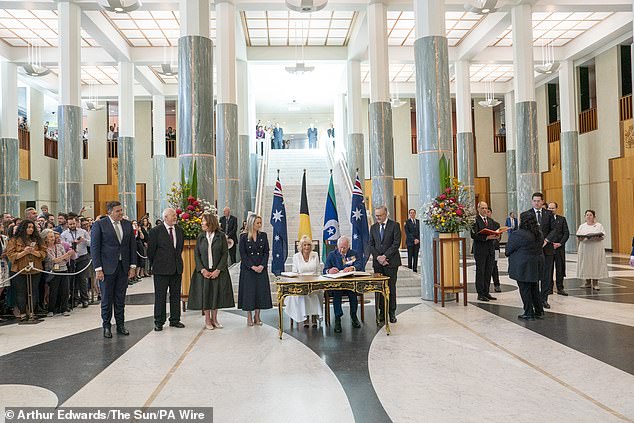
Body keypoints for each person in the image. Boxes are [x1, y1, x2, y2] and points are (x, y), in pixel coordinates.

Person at [91, 201, 137, 338]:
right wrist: (98, 269)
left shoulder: (127, 224)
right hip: (107, 268)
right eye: (117, 211)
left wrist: (133, 266)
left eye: (121, 210)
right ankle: (106, 326)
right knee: (106, 298)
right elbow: (95, 247)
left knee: (120, 298)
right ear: (109, 212)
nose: (121, 213)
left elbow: (132, 247)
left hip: (123, 267)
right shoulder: (100, 225)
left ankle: (120, 324)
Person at [188, 212, 235, 330]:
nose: (202, 223)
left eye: (204, 221)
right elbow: (197, 255)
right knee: (206, 295)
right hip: (204, 272)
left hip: (217, 271)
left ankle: (215, 319)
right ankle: (207, 319)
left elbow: (225, 254)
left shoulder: (221, 236)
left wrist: (218, 270)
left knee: (216, 295)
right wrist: (202, 269)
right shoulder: (201, 236)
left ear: (210, 222)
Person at [147, 208, 185, 332]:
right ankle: (159, 321)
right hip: (161, 270)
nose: (175, 217)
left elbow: (179, 249)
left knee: (175, 295)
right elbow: (150, 252)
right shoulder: (155, 231)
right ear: (165, 217)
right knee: (160, 296)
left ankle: (175, 319)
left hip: (176, 269)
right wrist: (157, 264)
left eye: (175, 215)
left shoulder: (179, 231)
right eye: (172, 215)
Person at [505, 211, 545, 320]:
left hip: (523, 265)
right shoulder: (539, 233)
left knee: (525, 289)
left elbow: (508, 250)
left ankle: (528, 312)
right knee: (534, 287)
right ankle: (539, 311)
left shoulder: (518, 234)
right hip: (536, 264)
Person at [5, 220, 47, 320]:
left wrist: (34, 252)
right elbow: (10, 255)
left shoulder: (38, 239)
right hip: (19, 269)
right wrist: (24, 252)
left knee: (34, 291)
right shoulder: (14, 240)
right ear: (23, 228)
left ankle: (32, 312)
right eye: (28, 227)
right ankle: (23, 313)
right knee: (21, 291)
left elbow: (44, 253)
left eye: (32, 227)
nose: (31, 229)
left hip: (35, 268)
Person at [523, 192, 557, 309]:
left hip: (547, 249)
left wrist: (546, 240)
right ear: (532, 201)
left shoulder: (549, 214)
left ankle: (544, 299)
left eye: (539, 201)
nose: (536, 203)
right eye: (534, 201)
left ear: (542, 202)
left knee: (546, 275)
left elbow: (554, 230)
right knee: (534, 275)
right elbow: (523, 231)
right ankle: (534, 299)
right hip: (533, 250)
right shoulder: (527, 214)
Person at [369, 205, 401, 324]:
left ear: (386, 213)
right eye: (376, 215)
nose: (377, 217)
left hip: (391, 263)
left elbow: (396, 243)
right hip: (378, 264)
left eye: (380, 215)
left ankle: (391, 312)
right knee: (379, 289)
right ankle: (381, 312)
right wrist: (378, 257)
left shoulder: (395, 225)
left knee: (391, 288)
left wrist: (385, 256)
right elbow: (370, 245)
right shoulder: (373, 227)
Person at [238, 214, 272, 326]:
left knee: (259, 292)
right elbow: (243, 254)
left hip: (261, 269)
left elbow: (266, 252)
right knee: (249, 293)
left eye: (260, 223)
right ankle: (249, 316)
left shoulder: (263, 235)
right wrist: (252, 266)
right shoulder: (243, 237)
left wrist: (262, 265)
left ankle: (257, 316)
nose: (259, 225)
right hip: (248, 270)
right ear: (251, 223)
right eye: (257, 223)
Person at [324, 236, 362, 333]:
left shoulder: (353, 254)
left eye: (344, 248)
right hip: (337, 284)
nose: (342, 250)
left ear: (348, 247)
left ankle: (353, 315)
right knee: (337, 294)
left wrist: (352, 268)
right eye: (340, 247)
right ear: (337, 246)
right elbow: (324, 269)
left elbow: (359, 264)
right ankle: (337, 318)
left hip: (350, 283)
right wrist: (329, 270)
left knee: (353, 294)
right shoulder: (332, 255)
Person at [286, 235, 322, 328]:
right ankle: (305, 317)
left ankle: (314, 316)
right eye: (305, 245)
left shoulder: (315, 255)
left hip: (314, 282)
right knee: (303, 294)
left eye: (309, 245)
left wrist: (315, 280)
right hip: (301, 283)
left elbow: (318, 271)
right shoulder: (296, 257)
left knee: (314, 293)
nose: (307, 247)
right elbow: (295, 272)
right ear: (301, 246)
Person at [470, 202, 499, 302]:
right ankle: (480, 293)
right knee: (481, 272)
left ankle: (486, 292)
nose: (485, 210)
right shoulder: (475, 221)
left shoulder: (490, 221)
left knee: (488, 271)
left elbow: (494, 231)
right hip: (480, 250)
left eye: (486, 208)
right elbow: (474, 235)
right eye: (482, 208)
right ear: (478, 209)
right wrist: (486, 237)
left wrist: (496, 235)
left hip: (490, 249)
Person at [42, 229, 74, 317]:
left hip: (64, 270)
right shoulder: (45, 249)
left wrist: (66, 256)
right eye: (51, 237)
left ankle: (64, 308)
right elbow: (54, 260)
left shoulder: (60, 246)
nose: (53, 239)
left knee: (65, 290)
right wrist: (65, 255)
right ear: (45, 239)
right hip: (53, 271)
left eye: (53, 236)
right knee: (53, 291)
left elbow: (67, 259)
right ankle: (51, 309)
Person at [576, 210, 609, 290]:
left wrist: (596, 237)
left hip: (596, 247)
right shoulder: (582, 226)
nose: (589, 216)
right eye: (587, 215)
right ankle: (587, 282)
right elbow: (579, 237)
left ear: (594, 216)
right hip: (585, 248)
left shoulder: (598, 225)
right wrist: (583, 237)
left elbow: (603, 236)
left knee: (595, 263)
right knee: (586, 264)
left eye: (590, 215)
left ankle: (595, 282)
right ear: (585, 216)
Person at [547, 202, 570, 296]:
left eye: (553, 208)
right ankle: (549, 289)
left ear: (556, 208)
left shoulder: (562, 219)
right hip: (549, 248)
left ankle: (560, 288)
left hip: (559, 248)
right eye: (549, 208)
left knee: (560, 268)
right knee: (549, 269)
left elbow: (566, 233)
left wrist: (560, 243)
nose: (551, 210)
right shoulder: (545, 220)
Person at [487, 208, 502, 293]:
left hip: (495, 247)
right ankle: (486, 285)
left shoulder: (496, 224)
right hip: (485, 248)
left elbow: (499, 237)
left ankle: (497, 284)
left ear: (491, 213)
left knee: (494, 266)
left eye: (488, 211)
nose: (487, 213)